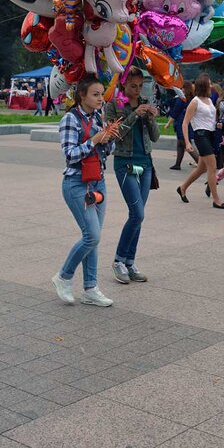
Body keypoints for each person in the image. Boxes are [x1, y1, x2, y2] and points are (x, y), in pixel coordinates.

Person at [52, 74, 120, 307]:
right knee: (92, 235)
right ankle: (63, 277)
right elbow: (69, 155)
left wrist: (109, 138)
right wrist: (94, 140)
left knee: (93, 239)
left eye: (102, 94)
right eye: (96, 94)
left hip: (98, 182)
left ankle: (90, 289)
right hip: (77, 183)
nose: (101, 98)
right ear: (82, 95)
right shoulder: (70, 119)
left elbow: (104, 151)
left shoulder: (98, 117)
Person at [105, 66, 160, 285]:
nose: (137, 91)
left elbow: (155, 138)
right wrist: (133, 115)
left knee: (138, 215)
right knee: (137, 213)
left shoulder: (145, 104)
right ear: (122, 85)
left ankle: (130, 262)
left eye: (140, 86)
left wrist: (150, 118)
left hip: (145, 163)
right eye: (132, 86)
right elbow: (114, 135)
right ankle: (119, 260)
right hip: (124, 162)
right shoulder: (114, 105)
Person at [177, 74, 224, 209]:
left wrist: (218, 126)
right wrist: (187, 142)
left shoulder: (209, 100)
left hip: (211, 135)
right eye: (209, 83)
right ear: (204, 85)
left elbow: (211, 117)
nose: (211, 86)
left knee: (201, 169)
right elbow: (185, 123)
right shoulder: (195, 102)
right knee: (212, 167)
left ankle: (182, 188)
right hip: (200, 135)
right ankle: (216, 200)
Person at [165, 81, 199, 170]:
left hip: (181, 124)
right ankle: (177, 164)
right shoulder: (192, 98)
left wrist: (168, 123)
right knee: (180, 144)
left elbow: (175, 112)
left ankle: (200, 163)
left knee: (187, 144)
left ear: (184, 88)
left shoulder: (181, 99)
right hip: (188, 123)